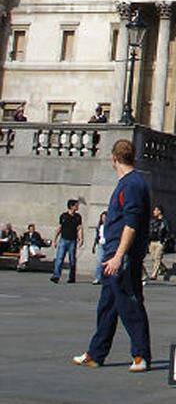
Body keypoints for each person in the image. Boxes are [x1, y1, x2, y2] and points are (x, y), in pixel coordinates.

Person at [73, 138, 151, 371]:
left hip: (121, 254)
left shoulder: (132, 184)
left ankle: (141, 354)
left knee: (129, 303)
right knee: (107, 306)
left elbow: (132, 223)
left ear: (114, 158)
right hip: (113, 253)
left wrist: (119, 255)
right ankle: (96, 354)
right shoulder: (129, 183)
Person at [51, 199, 83, 283]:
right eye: (76, 205)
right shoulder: (64, 216)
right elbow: (59, 228)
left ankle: (71, 277)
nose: (77, 207)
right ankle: (56, 276)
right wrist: (54, 240)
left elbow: (79, 228)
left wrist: (81, 238)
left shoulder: (78, 217)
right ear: (72, 206)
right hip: (63, 240)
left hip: (73, 240)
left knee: (72, 259)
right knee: (59, 258)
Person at [147, 206, 170, 281]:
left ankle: (154, 274)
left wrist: (164, 241)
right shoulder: (153, 221)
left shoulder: (164, 221)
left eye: (155, 210)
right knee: (153, 258)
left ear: (159, 211)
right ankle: (163, 268)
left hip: (160, 241)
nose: (154, 212)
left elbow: (168, 231)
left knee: (157, 258)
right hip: (152, 241)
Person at [91, 212, 107, 284]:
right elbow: (97, 237)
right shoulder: (99, 227)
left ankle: (105, 278)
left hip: (108, 244)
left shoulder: (110, 226)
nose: (104, 219)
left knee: (106, 262)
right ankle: (97, 278)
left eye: (105, 218)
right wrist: (94, 246)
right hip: (101, 244)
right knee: (99, 261)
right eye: (103, 218)